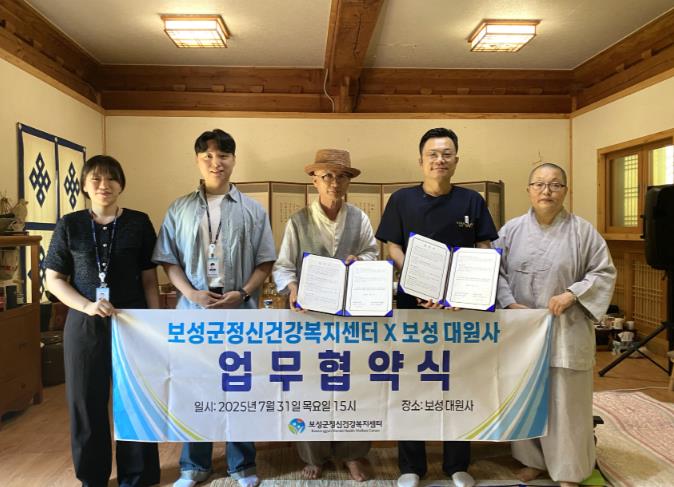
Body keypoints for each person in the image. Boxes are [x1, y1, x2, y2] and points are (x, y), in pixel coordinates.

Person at [376, 128, 499, 487]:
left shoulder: (472, 201)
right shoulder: (401, 199)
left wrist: (464, 291)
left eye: (446, 154)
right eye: (432, 154)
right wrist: (420, 282)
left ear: (456, 160)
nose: (439, 160)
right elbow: (392, 247)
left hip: (460, 310)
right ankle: (411, 467)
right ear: (421, 160)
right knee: (411, 382)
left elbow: (484, 247)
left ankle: (457, 464)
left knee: (458, 382)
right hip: (414, 305)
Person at [153, 129, 276, 487]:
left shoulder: (253, 210)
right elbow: (168, 259)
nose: (215, 162)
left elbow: (265, 261)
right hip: (194, 313)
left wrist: (243, 292)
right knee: (195, 386)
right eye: (207, 156)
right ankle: (194, 465)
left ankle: (243, 465)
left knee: (240, 386)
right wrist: (190, 294)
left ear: (234, 160)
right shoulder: (179, 208)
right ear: (197, 160)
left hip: (239, 309)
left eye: (223, 155)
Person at [496, 163, 616, 487]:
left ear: (565, 190)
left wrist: (572, 294)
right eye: (539, 184)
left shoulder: (583, 232)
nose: (546, 191)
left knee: (567, 402)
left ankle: (569, 471)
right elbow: (496, 271)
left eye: (555, 185)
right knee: (526, 398)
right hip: (522, 329)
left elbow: (603, 272)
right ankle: (532, 460)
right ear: (528, 190)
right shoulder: (510, 231)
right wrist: (509, 302)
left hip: (566, 328)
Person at [45, 155, 160, 487]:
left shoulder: (139, 222)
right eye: (95, 179)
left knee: (134, 399)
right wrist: (86, 305)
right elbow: (54, 279)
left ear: (121, 184)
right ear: (84, 185)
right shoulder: (69, 224)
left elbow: (149, 280)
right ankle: (92, 476)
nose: (104, 185)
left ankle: (138, 475)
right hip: (84, 322)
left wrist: (154, 324)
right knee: (85, 401)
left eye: (111, 178)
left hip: (133, 321)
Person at [272, 148, 378, 481]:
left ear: (349, 182)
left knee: (353, 384)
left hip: (351, 317)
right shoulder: (298, 220)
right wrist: (292, 289)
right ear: (314, 181)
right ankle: (313, 455)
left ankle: (353, 454)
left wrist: (360, 261)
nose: (334, 183)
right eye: (327, 176)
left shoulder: (359, 218)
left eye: (341, 176)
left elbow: (373, 253)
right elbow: (283, 266)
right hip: (311, 318)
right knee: (310, 386)